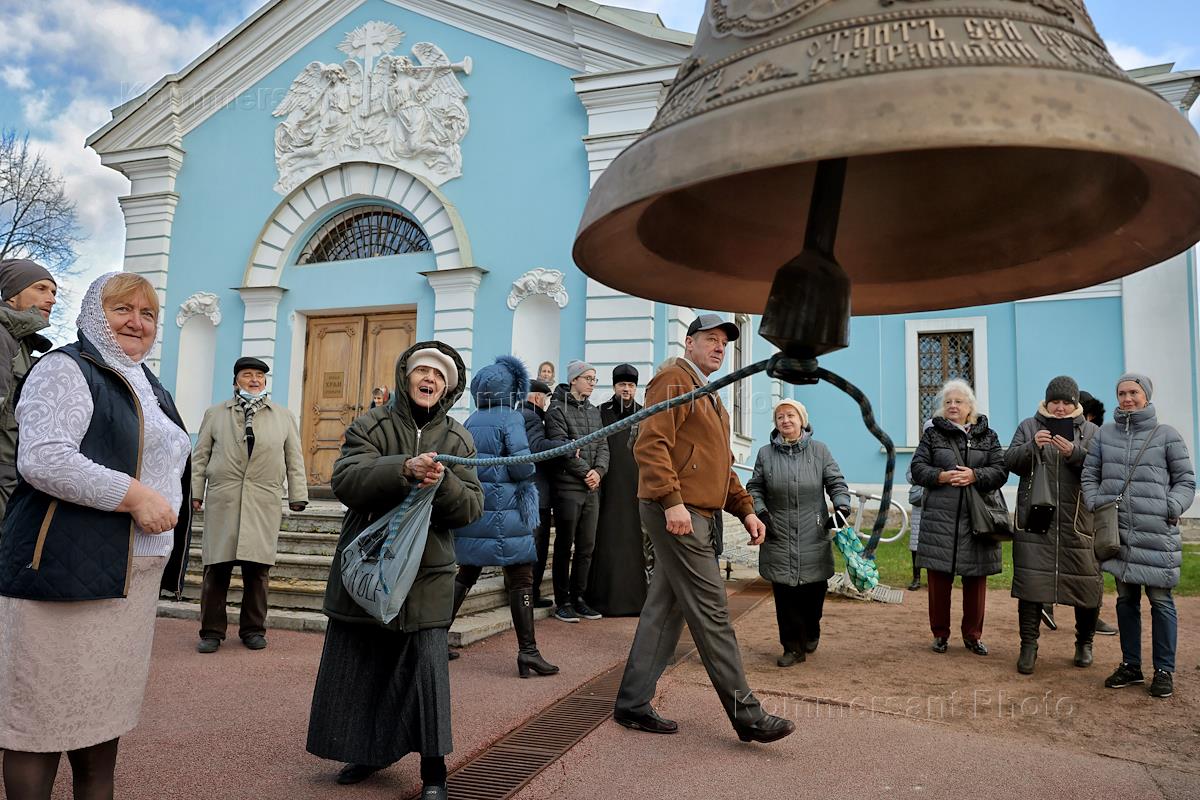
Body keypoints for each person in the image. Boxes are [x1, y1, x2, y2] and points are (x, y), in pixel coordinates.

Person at [0, 272, 192, 799]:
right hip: (64, 571)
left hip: (130, 577)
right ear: (92, 313)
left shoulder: (145, 383)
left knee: (99, 727)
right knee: (37, 728)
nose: (137, 322)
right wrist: (136, 496)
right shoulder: (66, 369)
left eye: (148, 314)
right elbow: (44, 457)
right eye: (122, 310)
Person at [306, 341, 483, 797]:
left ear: (448, 388)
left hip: (427, 571)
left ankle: (434, 772)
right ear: (407, 376)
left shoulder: (459, 439)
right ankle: (364, 752)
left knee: (426, 671)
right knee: (363, 662)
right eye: (423, 370)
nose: (430, 380)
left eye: (440, 376)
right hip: (369, 566)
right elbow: (346, 480)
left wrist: (441, 485)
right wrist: (402, 469)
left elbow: (471, 508)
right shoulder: (371, 424)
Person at [614, 313, 794, 744]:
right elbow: (650, 444)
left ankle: (633, 702)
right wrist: (671, 501)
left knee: (666, 609)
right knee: (714, 611)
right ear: (690, 342)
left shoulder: (709, 392)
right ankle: (747, 715)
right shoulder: (674, 379)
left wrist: (745, 509)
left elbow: (721, 465)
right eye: (710, 339)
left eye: (724, 343)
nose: (719, 347)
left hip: (697, 512)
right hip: (678, 512)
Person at [1083, 373, 1195, 699]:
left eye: (1133, 392)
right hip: (1117, 534)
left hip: (1157, 534)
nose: (1127, 398)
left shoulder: (1167, 435)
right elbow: (1090, 474)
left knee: (1161, 602)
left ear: (1146, 395)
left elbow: (1186, 480)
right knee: (1125, 601)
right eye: (1122, 393)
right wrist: (1094, 502)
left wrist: (1170, 506)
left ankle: (1164, 670)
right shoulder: (1105, 436)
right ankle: (1131, 665)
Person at [191, 356, 309, 653]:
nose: (254, 380)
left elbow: (294, 458)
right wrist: (196, 492)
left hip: (262, 500)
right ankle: (211, 632)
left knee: (258, 570)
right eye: (247, 375)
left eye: (259, 375)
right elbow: (200, 456)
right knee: (216, 568)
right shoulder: (215, 414)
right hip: (224, 499)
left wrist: (298, 495)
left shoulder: (282, 416)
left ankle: (253, 629)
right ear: (236, 381)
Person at [449, 356, 558, 677]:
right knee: (522, 578)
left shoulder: (471, 419)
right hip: (508, 511)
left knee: (465, 573)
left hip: (478, 509)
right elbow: (522, 466)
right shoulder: (510, 418)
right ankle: (528, 653)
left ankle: (436, 637)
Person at [1005, 376, 1101, 674]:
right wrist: (1031, 447)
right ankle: (1029, 646)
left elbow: (1102, 470)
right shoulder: (1028, 426)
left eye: (1066, 402)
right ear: (1046, 402)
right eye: (1054, 402)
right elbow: (1010, 461)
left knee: (1086, 582)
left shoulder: (1092, 431)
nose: (1059, 408)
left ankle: (1084, 643)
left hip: (1078, 520)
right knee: (1031, 584)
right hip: (1036, 520)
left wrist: (1075, 454)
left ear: (1076, 404)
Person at [748, 399, 850, 667]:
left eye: (790, 415)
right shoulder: (765, 454)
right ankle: (792, 647)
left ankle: (812, 629)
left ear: (802, 420)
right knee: (784, 595)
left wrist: (841, 507)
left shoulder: (820, 451)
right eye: (780, 416)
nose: (785, 420)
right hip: (778, 532)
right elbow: (755, 487)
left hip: (813, 532)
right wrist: (762, 513)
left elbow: (836, 483)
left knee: (814, 593)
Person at [909, 379, 1006, 656]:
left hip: (977, 518)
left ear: (969, 407)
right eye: (948, 401)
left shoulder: (988, 435)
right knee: (938, 581)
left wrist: (975, 475)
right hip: (941, 518)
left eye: (958, 401)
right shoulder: (932, 435)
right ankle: (940, 634)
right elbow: (917, 468)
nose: (953, 406)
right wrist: (940, 476)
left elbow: (1000, 470)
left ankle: (973, 636)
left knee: (976, 581)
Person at [545, 359, 608, 623]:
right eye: (588, 378)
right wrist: (586, 472)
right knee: (564, 544)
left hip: (592, 488)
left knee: (586, 546)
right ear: (574, 380)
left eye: (595, 379)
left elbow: (604, 445)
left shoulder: (594, 412)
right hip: (568, 487)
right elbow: (562, 450)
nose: (593, 383)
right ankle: (563, 601)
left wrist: (599, 472)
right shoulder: (556, 410)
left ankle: (579, 598)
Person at [586, 363, 646, 617]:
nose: (626, 389)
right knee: (605, 540)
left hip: (634, 486)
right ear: (614, 386)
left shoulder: (644, 414)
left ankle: (634, 602)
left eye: (631, 385)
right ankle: (603, 600)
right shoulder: (601, 413)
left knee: (634, 542)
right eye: (622, 385)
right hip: (608, 487)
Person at [0, 258, 57, 520]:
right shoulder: (2, 336)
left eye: (53, 292)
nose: (51, 299)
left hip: (11, 474)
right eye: (41, 289)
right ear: (13, 294)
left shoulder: (20, 342)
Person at [520, 378, 570, 609]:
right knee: (536, 546)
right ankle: (530, 593)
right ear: (538, 397)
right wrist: (565, 446)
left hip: (531, 489)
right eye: (547, 398)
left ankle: (529, 592)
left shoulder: (521, 414)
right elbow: (537, 447)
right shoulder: (532, 417)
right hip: (536, 491)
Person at [1079, 388, 1117, 636]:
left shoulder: (1098, 436)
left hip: (1089, 505)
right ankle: (1043, 604)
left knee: (1092, 562)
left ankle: (1092, 617)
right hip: (1067, 505)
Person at [907, 464, 924, 591]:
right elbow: (909, 475)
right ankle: (916, 578)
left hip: (939, 502)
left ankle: (934, 577)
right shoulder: (918, 454)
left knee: (936, 543)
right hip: (919, 503)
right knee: (915, 542)